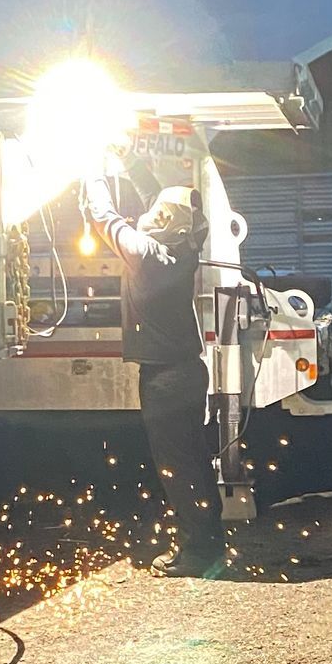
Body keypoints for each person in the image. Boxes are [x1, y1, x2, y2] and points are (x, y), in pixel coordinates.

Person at [81, 170, 226, 575]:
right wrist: (125, 162)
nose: (149, 212)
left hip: (165, 380)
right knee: (193, 461)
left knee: (178, 468)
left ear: (164, 221)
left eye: (158, 210)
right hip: (186, 374)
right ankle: (208, 543)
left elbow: (104, 217)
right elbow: (156, 207)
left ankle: (198, 553)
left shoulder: (146, 254)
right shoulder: (184, 246)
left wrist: (91, 171)